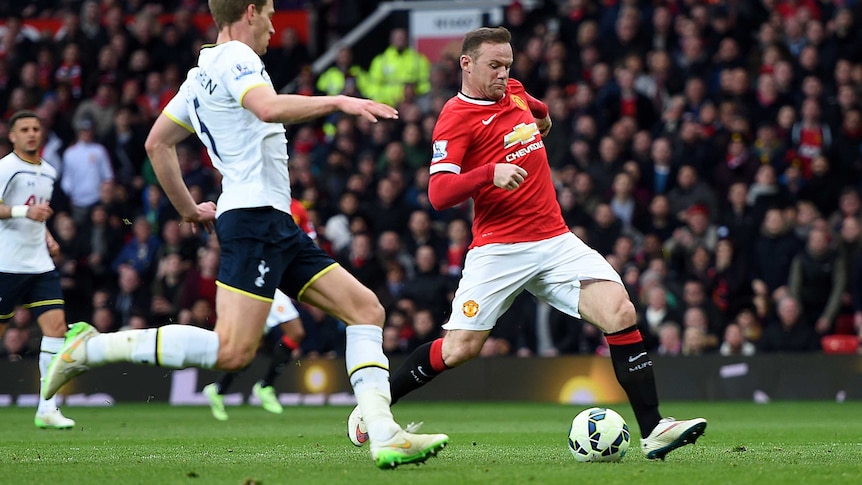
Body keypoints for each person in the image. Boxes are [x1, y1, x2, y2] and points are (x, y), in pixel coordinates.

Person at [43, 0, 447, 470]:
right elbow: (267, 107)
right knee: (233, 351)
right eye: (272, 14)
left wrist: (189, 210)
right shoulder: (238, 57)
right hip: (254, 219)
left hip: (270, 221)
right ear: (250, 11)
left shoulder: (198, 76)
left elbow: (158, 144)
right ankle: (89, 348)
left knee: (365, 309)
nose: (275, 27)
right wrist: (339, 101)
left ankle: (383, 432)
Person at [346, 27, 706, 460]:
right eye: (494, 66)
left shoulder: (514, 92)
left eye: (508, 66)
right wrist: (488, 173)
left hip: (554, 239)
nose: (503, 74)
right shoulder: (455, 117)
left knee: (620, 310)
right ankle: (374, 409)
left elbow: (542, 113)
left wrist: (541, 124)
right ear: (467, 64)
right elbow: (439, 194)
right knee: (460, 348)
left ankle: (654, 429)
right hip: (499, 249)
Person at [202, 199, 315, 421]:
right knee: (296, 332)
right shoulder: (256, 202)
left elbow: (308, 244)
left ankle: (219, 389)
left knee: (247, 347)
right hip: (262, 276)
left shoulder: (297, 209)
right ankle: (265, 386)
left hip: (280, 278)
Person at [0, 110, 76, 429]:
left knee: (57, 329)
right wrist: (23, 211)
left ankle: (47, 407)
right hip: (7, 263)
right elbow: (22, 210)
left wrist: (48, 236)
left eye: (36, 128)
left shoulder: (49, 171)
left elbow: (37, 214)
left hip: (40, 264)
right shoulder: (6, 168)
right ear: (12, 136)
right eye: (24, 129)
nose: (32, 133)